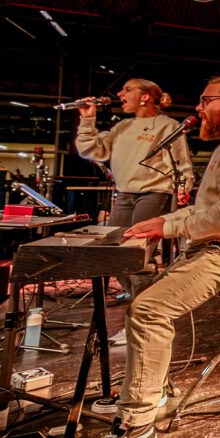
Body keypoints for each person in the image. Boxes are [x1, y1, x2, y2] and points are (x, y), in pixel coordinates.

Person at [57, 75, 220, 438]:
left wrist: (167, 225)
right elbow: (212, 208)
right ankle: (154, 388)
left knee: (148, 310)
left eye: (205, 100)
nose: (198, 108)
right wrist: (167, 221)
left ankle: (137, 429)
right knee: (146, 303)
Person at [74, 79, 195, 313]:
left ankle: (146, 311)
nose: (120, 94)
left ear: (145, 97)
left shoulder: (167, 125)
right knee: (114, 251)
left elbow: (180, 162)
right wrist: (88, 120)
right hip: (125, 195)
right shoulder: (122, 127)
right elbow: (92, 150)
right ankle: (147, 302)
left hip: (154, 193)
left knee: (137, 253)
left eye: (127, 90)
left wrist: (183, 186)